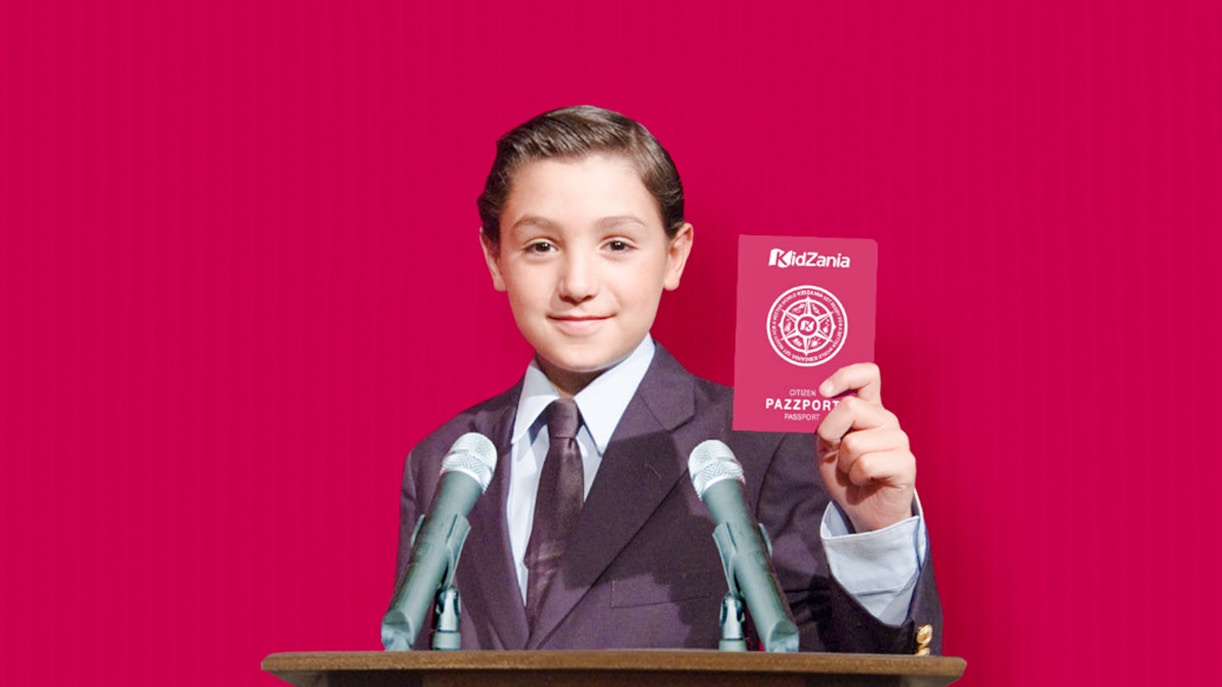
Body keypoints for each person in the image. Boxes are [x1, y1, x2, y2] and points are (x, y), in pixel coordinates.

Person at [389, 105, 941, 653]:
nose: (577, 283)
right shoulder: (442, 457)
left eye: (617, 245)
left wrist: (877, 538)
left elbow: (833, 663)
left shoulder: (760, 446)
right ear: (494, 258)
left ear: (675, 256)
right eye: (541, 246)